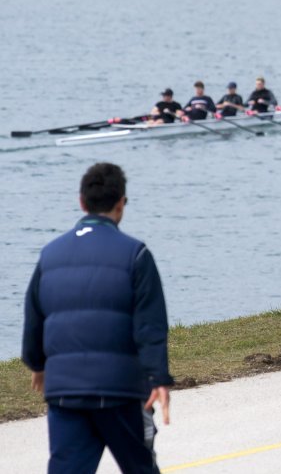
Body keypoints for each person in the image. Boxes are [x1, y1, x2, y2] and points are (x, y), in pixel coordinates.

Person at [22, 162, 173, 473]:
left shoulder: (50, 254)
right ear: (121, 204)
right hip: (120, 390)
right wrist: (158, 378)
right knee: (140, 466)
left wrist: (37, 364)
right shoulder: (136, 254)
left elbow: (34, 316)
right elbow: (150, 325)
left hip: (65, 391)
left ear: (81, 202)